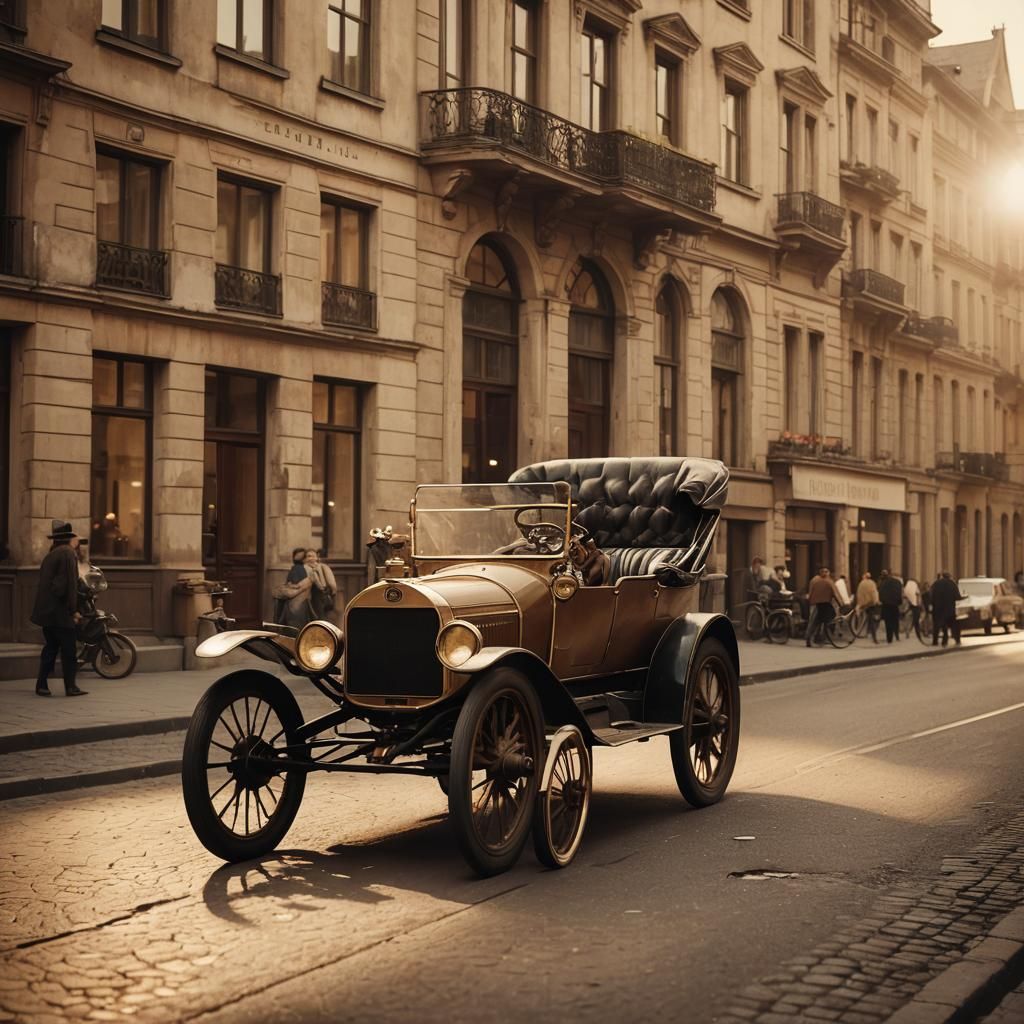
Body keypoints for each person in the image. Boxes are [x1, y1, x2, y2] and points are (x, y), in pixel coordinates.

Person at [30, 520, 87, 698]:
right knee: (69, 650)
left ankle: (41, 685)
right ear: (69, 540)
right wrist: (73, 610)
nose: (77, 541)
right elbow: (67, 585)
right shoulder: (68, 554)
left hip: (46, 611)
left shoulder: (52, 554)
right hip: (60, 612)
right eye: (74, 538)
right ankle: (71, 687)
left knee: (51, 648)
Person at [805, 567, 838, 646]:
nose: (825, 573)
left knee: (815, 621)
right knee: (822, 620)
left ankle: (814, 638)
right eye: (824, 571)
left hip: (815, 604)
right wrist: (841, 604)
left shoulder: (814, 580)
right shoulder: (828, 581)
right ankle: (817, 638)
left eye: (826, 571)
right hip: (821, 605)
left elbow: (810, 592)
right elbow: (835, 594)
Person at [273, 547, 307, 623]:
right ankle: (278, 622)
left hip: (297, 596)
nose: (297, 558)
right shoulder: (296, 568)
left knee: (279, 597)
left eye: (300, 556)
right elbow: (291, 582)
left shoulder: (298, 568)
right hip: (294, 594)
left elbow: (296, 585)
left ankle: (278, 623)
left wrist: (290, 586)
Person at [930, 571, 964, 647]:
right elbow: (957, 597)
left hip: (937, 609)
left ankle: (935, 642)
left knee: (937, 625)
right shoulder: (952, 584)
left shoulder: (936, 584)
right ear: (949, 576)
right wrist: (964, 597)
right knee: (954, 625)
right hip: (949, 609)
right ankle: (956, 640)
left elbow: (931, 596)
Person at [305, 549, 338, 621]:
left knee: (321, 618)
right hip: (308, 596)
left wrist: (332, 591)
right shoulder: (305, 568)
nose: (311, 558)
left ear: (317, 558)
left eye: (313, 556)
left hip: (320, 594)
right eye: (308, 556)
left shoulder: (322, 567)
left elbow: (331, 583)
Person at [878, 569, 903, 644]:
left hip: (886, 605)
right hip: (895, 605)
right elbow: (899, 594)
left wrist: (882, 601)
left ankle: (889, 638)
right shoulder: (897, 582)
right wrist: (899, 602)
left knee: (888, 622)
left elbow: (880, 594)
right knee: (895, 621)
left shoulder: (883, 583)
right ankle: (897, 635)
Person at [855, 571, 881, 643]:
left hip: (863, 605)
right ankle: (873, 637)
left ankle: (860, 633)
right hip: (870, 604)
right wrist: (876, 601)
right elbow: (874, 593)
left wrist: (860, 604)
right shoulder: (872, 583)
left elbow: (859, 594)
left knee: (863, 619)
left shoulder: (861, 583)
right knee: (871, 620)